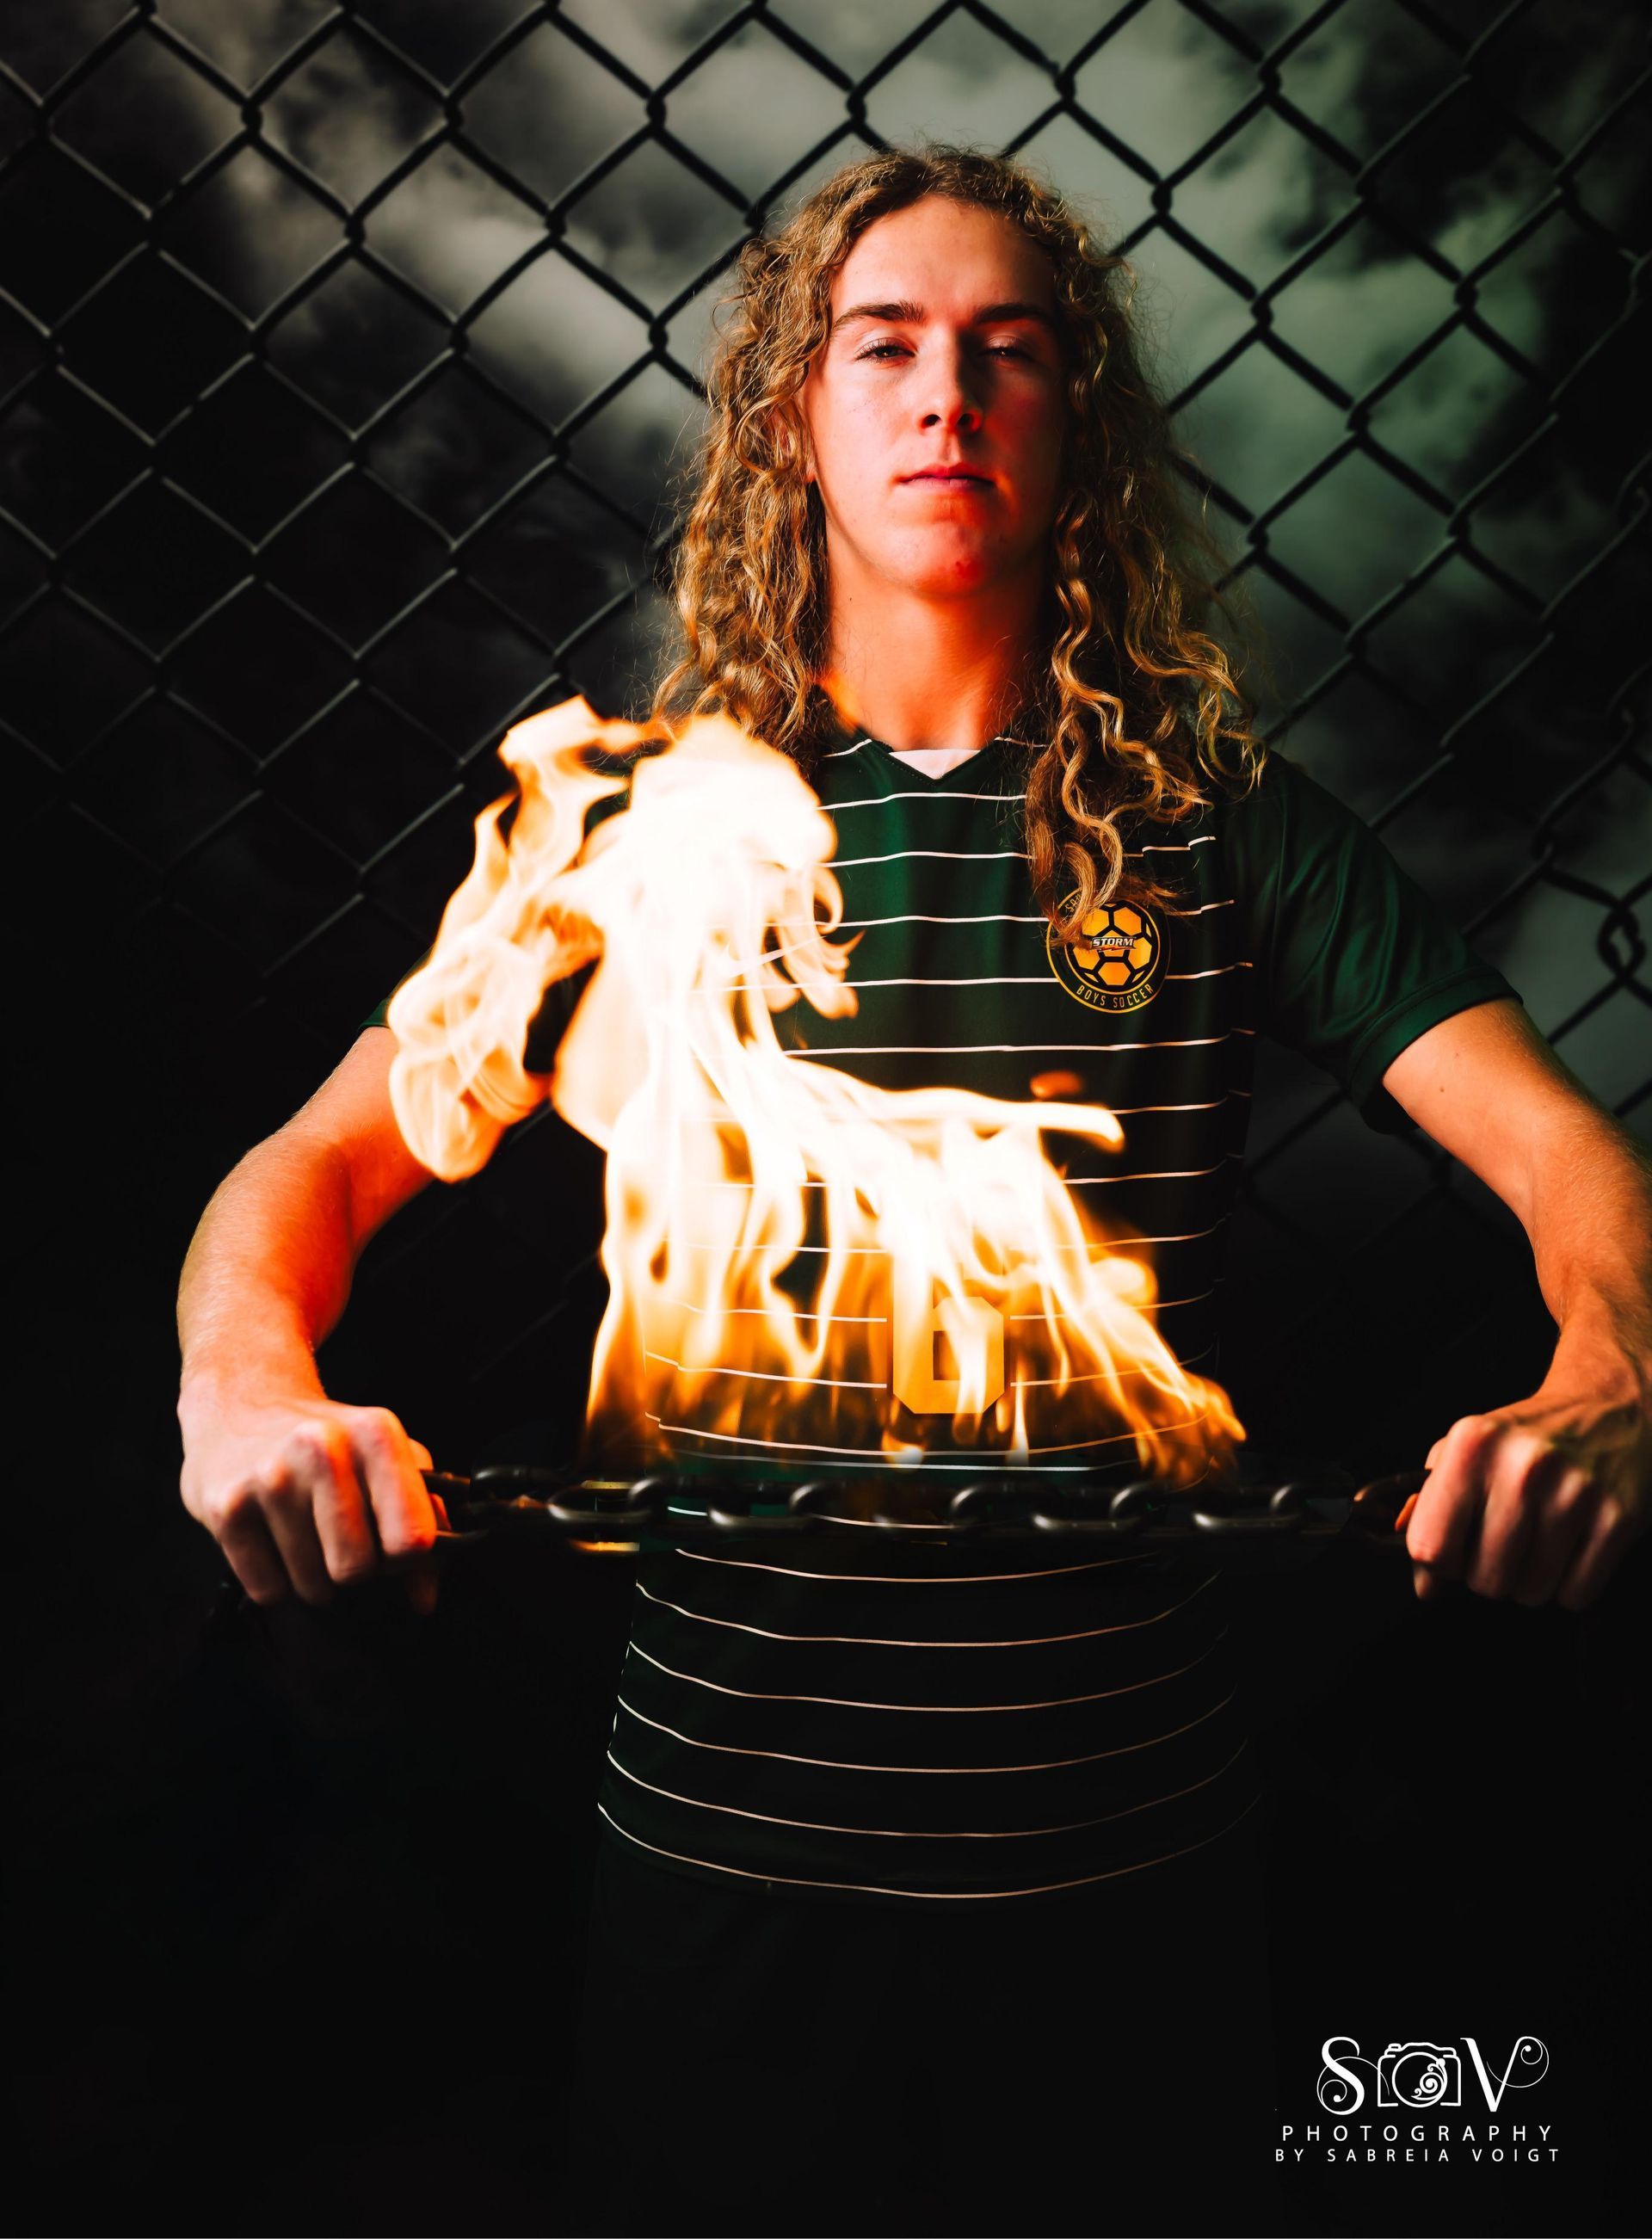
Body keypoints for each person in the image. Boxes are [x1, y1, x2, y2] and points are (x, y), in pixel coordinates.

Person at [176, 149, 1652, 2236]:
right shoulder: (661, 827)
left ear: (1075, 427)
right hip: (721, 1868)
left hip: (1129, 1863)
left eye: (1007, 352)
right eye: (885, 347)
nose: (944, 394)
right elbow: (309, 1163)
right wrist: (242, 1385)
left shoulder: (1216, 821)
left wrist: (1616, 1364)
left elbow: (1575, 1157)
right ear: (801, 414)